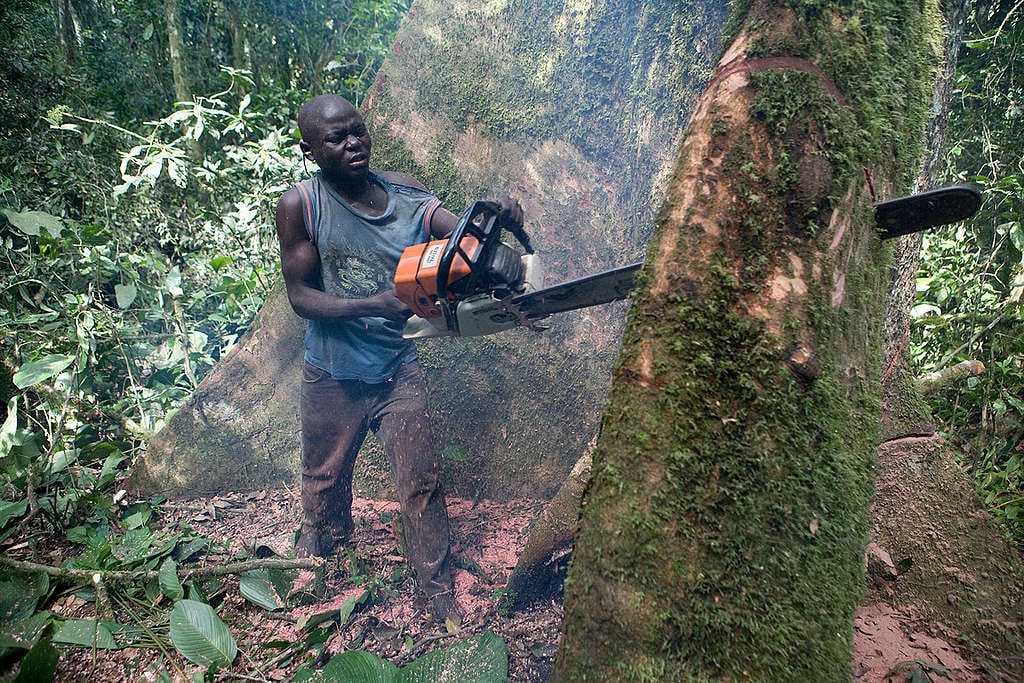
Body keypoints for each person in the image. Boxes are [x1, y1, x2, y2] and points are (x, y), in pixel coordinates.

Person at [274, 94, 522, 625]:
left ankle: (436, 590)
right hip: (330, 372)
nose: (352, 144)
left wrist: (494, 228)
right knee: (323, 479)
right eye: (336, 139)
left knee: (420, 483)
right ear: (311, 151)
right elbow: (300, 297)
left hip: (395, 369)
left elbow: (462, 243)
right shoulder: (301, 204)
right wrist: (373, 303)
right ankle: (323, 567)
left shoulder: (407, 192)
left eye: (357, 131)